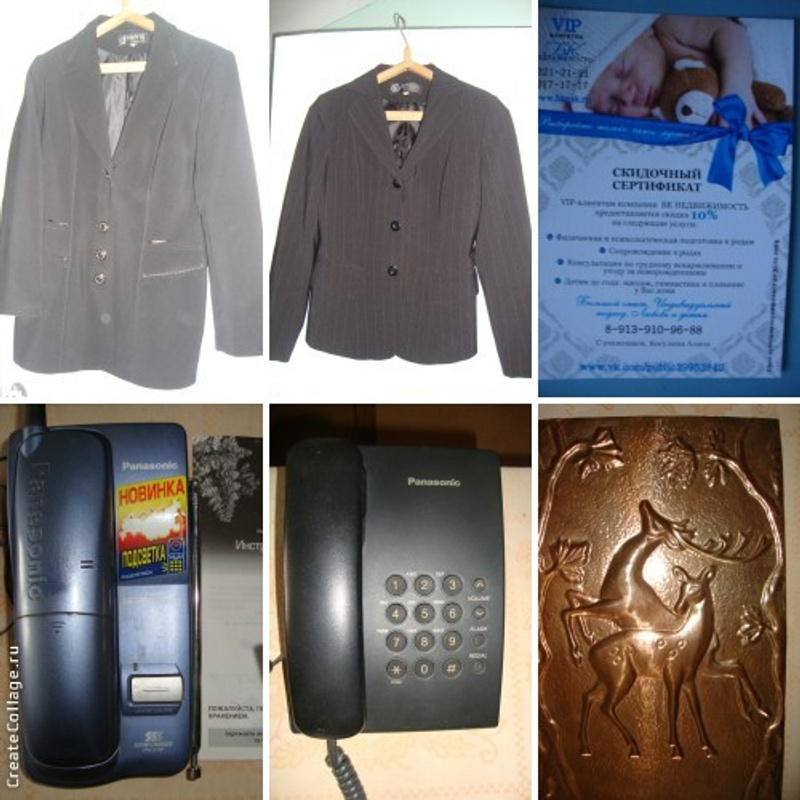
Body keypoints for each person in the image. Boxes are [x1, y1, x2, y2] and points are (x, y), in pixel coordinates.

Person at [587, 16, 765, 128]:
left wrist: (737, 87)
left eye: (623, 70)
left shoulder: (667, 28)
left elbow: (731, 32)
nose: (627, 97)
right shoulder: (661, 109)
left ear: (643, 32)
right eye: (613, 108)